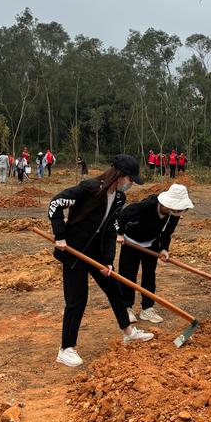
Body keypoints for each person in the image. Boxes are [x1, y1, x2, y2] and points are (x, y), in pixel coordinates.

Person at [48, 154, 152, 367]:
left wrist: (108, 261)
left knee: (114, 289)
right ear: (120, 175)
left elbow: (112, 230)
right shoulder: (90, 188)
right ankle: (66, 349)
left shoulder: (120, 199)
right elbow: (55, 203)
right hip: (74, 252)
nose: (131, 184)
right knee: (77, 300)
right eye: (130, 179)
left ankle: (128, 332)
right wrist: (60, 236)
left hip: (96, 253)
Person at [116, 183, 194, 324]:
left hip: (151, 243)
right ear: (169, 205)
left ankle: (147, 308)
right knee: (128, 274)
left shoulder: (174, 214)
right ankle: (126, 307)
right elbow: (123, 215)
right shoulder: (147, 205)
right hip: (130, 241)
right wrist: (120, 233)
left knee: (149, 275)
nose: (179, 211)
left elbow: (167, 232)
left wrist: (164, 248)